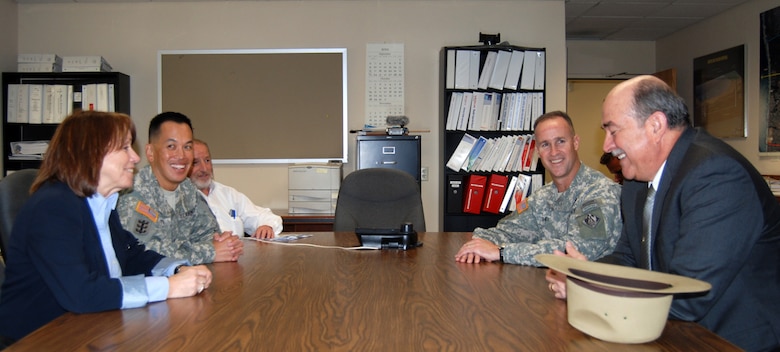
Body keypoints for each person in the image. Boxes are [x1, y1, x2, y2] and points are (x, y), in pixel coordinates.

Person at [546, 75, 780, 351]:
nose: (607, 146)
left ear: (655, 125)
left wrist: (587, 294)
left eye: (613, 130)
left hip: (729, 341)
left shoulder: (716, 175)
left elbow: (688, 293)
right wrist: (584, 276)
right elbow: (629, 256)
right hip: (670, 334)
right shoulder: (636, 181)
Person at [0, 111, 212, 347]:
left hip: (92, 327)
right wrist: (168, 287)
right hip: (41, 339)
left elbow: (132, 255)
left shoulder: (101, 204)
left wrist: (176, 268)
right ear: (91, 153)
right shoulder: (53, 206)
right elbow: (82, 293)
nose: (134, 157)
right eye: (124, 148)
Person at [455, 111, 622, 266]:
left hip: (594, 291)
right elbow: (509, 230)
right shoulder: (543, 196)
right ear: (538, 152)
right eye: (545, 145)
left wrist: (502, 252)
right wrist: (479, 242)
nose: (554, 152)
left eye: (560, 141)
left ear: (575, 142)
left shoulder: (600, 192)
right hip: (548, 286)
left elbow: (578, 249)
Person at [117, 112, 243, 264]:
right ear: (150, 153)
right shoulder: (134, 194)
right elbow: (147, 254)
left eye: (187, 147)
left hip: (191, 279)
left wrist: (225, 245)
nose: (181, 155)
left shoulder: (187, 188)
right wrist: (210, 252)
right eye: (171, 146)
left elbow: (210, 233)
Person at [189, 139, 283, 239]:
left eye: (207, 160)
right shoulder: (180, 200)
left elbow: (264, 216)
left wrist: (266, 226)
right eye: (195, 162)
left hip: (240, 253)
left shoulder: (227, 194)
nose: (204, 168)